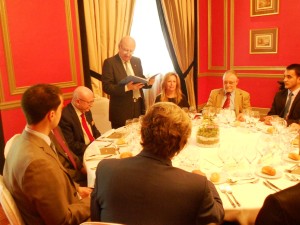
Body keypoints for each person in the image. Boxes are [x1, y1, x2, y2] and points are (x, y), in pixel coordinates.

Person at [91, 102, 224, 225]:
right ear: (182, 145)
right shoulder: (196, 185)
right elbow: (216, 216)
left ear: (142, 134)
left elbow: (96, 218)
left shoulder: (105, 169)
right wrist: (207, 182)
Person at [3, 84, 91, 224]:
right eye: (60, 109)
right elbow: (63, 220)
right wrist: (94, 200)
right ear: (51, 115)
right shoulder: (38, 165)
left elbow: (49, 185)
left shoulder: (20, 141)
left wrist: (77, 188)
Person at [102, 36, 155, 129]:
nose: (128, 54)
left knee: (137, 136)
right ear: (119, 47)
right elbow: (107, 87)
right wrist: (127, 88)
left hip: (138, 107)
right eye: (126, 50)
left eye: (131, 51)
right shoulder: (110, 63)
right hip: (121, 111)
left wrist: (148, 83)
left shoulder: (136, 61)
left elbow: (139, 79)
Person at [59, 86, 101, 161]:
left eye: (92, 101)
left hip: (95, 147)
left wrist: (101, 141)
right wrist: (92, 148)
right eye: (89, 102)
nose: (92, 105)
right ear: (78, 102)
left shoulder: (86, 110)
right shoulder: (65, 116)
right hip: (82, 154)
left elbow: (94, 130)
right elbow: (71, 144)